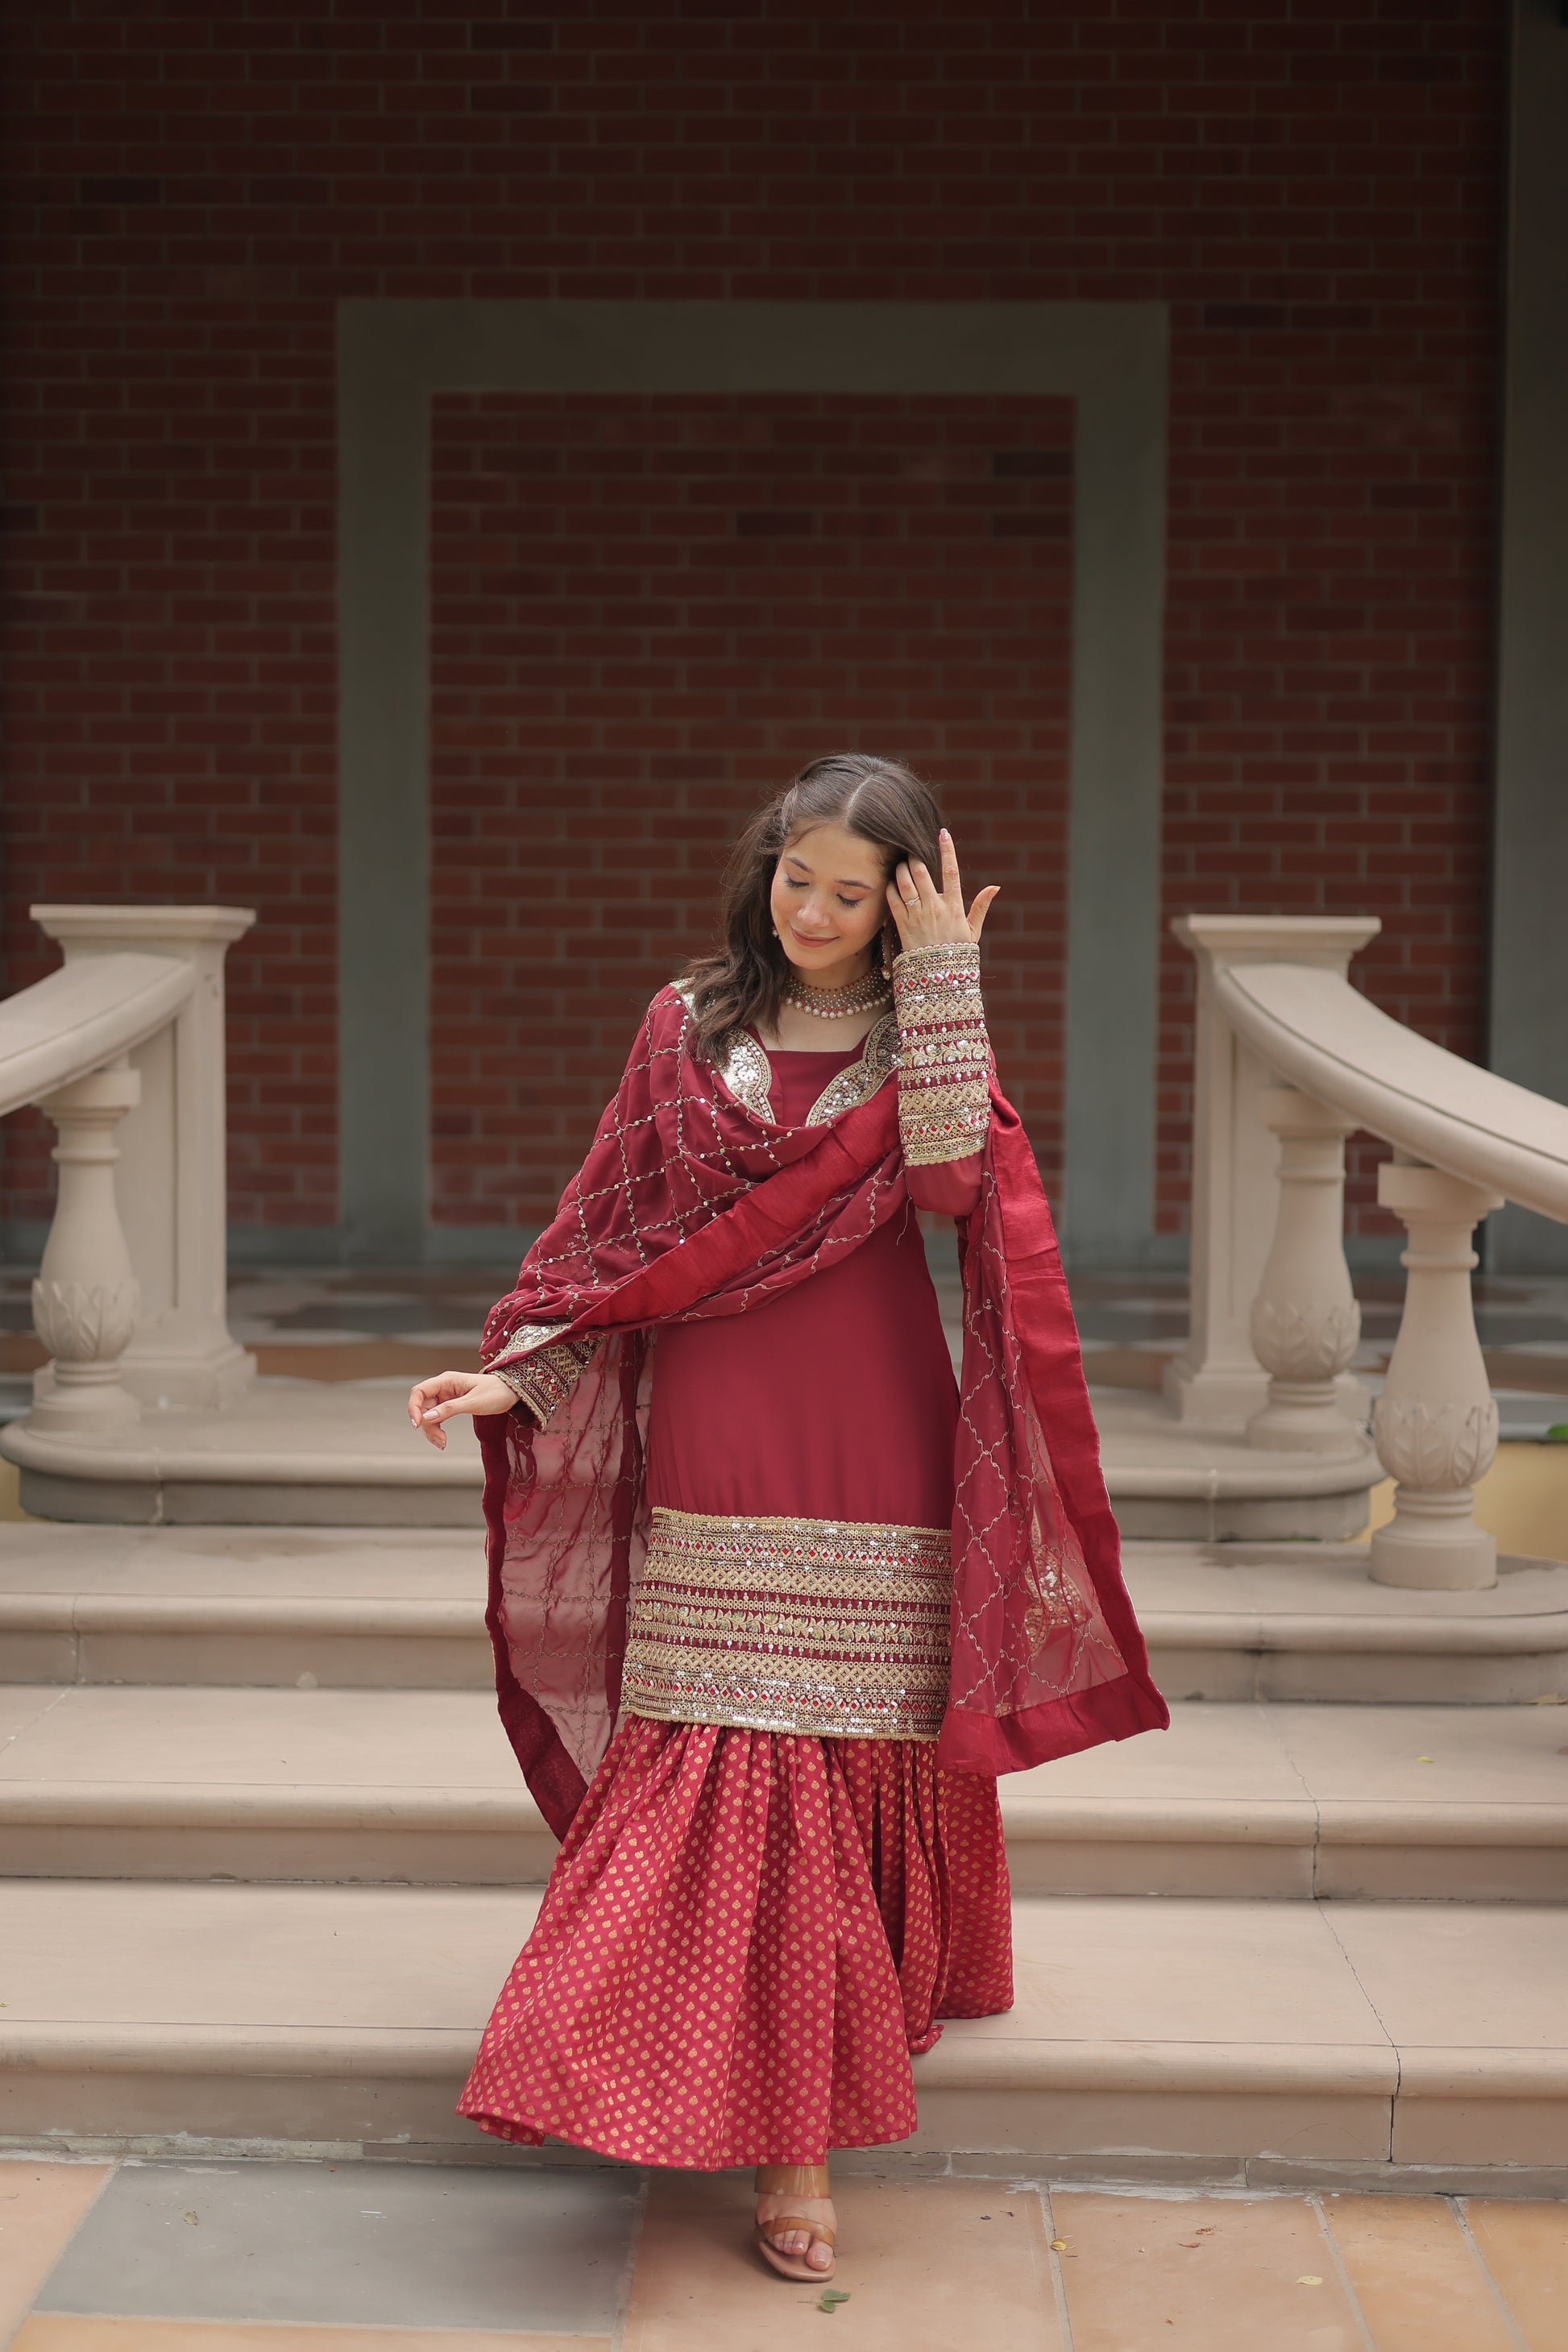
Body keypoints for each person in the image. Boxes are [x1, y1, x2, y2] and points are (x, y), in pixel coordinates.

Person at [408, 753, 1167, 2283]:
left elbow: (953, 1194)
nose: (812, 911)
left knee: (840, 1746)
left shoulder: (911, 1029)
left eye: (851, 892)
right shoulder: (686, 1025)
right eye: (795, 877)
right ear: (765, 869)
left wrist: (947, 984)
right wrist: (521, 1376)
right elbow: (611, 1231)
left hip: (875, 1423)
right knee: (729, 1741)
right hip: (718, 1417)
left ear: (897, 907)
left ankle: (803, 2101)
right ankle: (785, 2142)